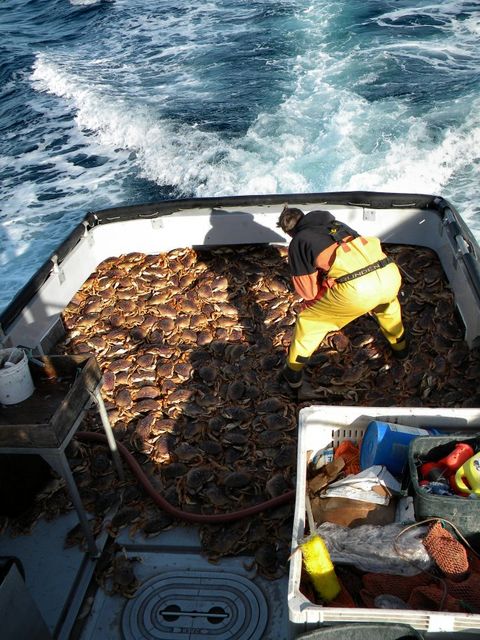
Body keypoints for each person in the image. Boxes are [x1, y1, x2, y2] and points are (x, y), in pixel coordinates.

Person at [277, 205, 408, 388]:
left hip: (357, 290)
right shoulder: (337, 225)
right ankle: (401, 350)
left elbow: (308, 293)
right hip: (389, 274)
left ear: (289, 232)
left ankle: (292, 373)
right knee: (388, 308)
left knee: (309, 321)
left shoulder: (299, 241)